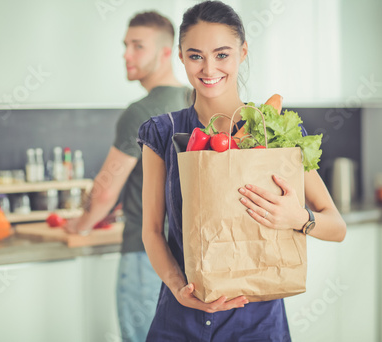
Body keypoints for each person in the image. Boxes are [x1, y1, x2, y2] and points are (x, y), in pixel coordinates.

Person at [137, 1, 347, 341]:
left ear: (242, 52)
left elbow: (336, 226)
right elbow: (151, 231)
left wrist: (297, 218)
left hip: (257, 325)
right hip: (179, 321)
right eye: (195, 56)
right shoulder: (161, 132)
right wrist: (178, 288)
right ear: (180, 56)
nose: (208, 69)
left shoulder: (276, 131)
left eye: (222, 55)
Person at [65, 11, 191, 342]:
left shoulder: (140, 111)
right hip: (191, 255)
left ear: (166, 53)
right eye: (126, 45)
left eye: (138, 46)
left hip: (146, 254)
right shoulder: (194, 100)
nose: (126, 54)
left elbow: (106, 189)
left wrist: (80, 225)